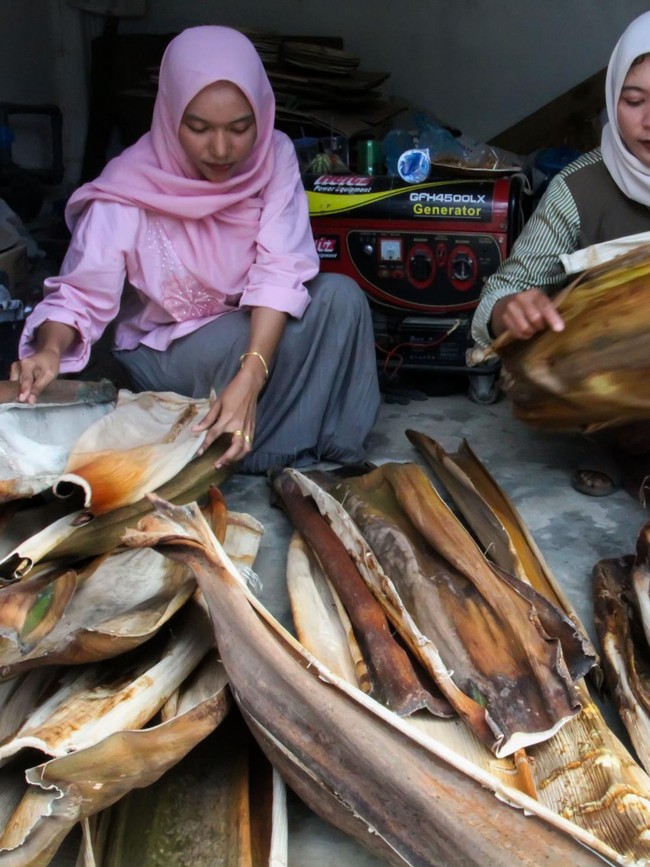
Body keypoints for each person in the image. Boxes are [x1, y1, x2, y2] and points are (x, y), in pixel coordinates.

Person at [11, 26, 381, 473]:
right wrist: (50, 349)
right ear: (169, 116)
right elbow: (80, 295)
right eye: (199, 128)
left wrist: (252, 372)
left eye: (240, 128)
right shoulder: (127, 189)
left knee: (341, 299)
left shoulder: (273, 154)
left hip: (243, 328)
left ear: (261, 118)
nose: (222, 149)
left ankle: (334, 453)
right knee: (251, 339)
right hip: (167, 351)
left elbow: (281, 269)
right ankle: (255, 449)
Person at [471, 10, 650, 498]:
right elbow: (497, 299)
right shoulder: (577, 189)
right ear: (612, 99)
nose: (649, 121)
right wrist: (514, 310)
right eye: (634, 101)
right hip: (607, 404)